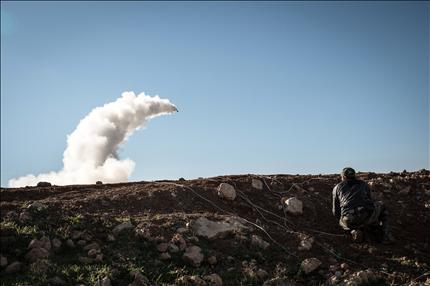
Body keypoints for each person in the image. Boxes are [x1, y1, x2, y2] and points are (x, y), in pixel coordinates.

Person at [332, 167, 395, 244]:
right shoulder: (363, 184)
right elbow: (370, 201)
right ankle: (386, 237)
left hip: (348, 219)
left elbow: (335, 211)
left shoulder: (337, 187)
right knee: (382, 206)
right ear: (354, 175)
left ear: (343, 177)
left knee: (347, 219)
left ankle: (353, 230)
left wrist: (342, 222)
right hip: (365, 215)